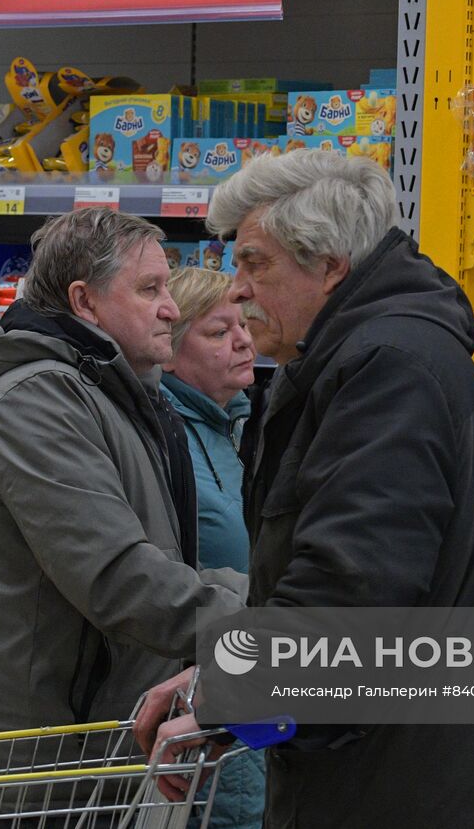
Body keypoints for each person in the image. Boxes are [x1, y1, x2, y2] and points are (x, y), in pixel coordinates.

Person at [135, 150, 474, 829]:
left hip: (426, 795)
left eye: (256, 262)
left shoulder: (386, 372)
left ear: (330, 264)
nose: (239, 289)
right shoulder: (367, 359)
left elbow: (351, 590)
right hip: (406, 777)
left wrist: (223, 688)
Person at [0, 208, 247, 813]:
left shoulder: (118, 394)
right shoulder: (34, 402)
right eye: (150, 289)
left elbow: (163, 562)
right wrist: (267, 629)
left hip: (92, 758)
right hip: (27, 778)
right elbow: (117, 576)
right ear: (85, 301)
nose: (172, 308)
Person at [158, 267, 264, 829]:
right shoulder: (164, 439)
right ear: (171, 354)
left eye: (243, 325)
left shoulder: (240, 427)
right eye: (219, 332)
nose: (244, 339)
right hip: (202, 697)